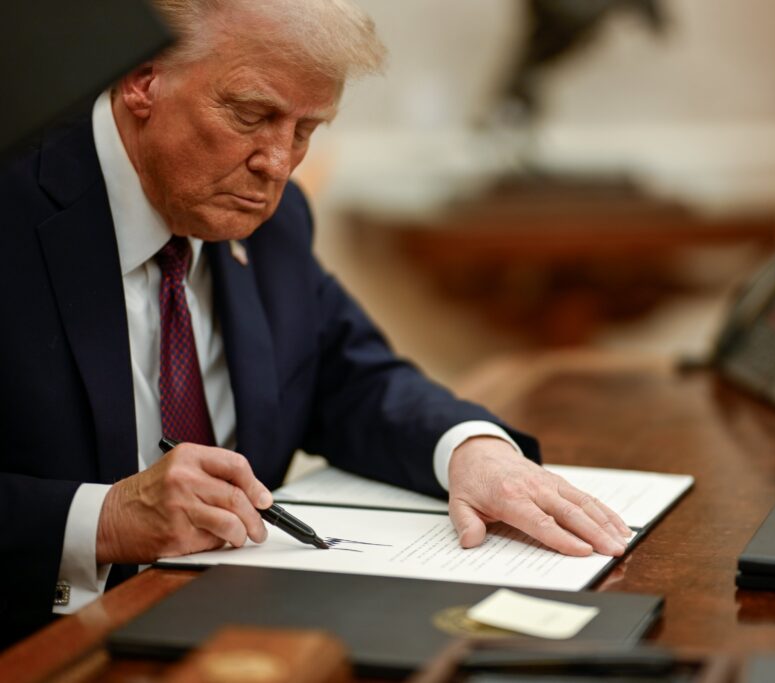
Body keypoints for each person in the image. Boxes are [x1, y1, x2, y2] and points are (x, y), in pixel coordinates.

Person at [0, 0, 631, 646]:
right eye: (252, 116)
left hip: (241, 630)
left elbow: (352, 375)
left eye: (305, 130)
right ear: (143, 79)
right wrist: (104, 519)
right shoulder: (18, 206)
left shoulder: (273, 223)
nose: (277, 164)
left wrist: (472, 451)